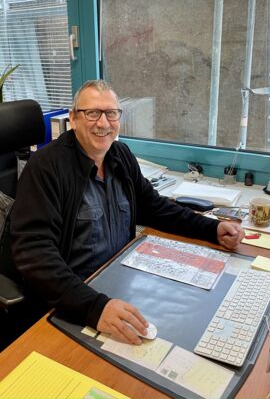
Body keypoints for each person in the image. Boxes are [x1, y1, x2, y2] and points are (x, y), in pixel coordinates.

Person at [10, 80, 244, 345]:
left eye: (111, 113)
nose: (103, 123)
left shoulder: (120, 155)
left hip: (122, 281)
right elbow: (35, 253)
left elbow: (154, 207)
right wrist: (94, 308)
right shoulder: (46, 168)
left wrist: (210, 228)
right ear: (73, 119)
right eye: (92, 113)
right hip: (74, 300)